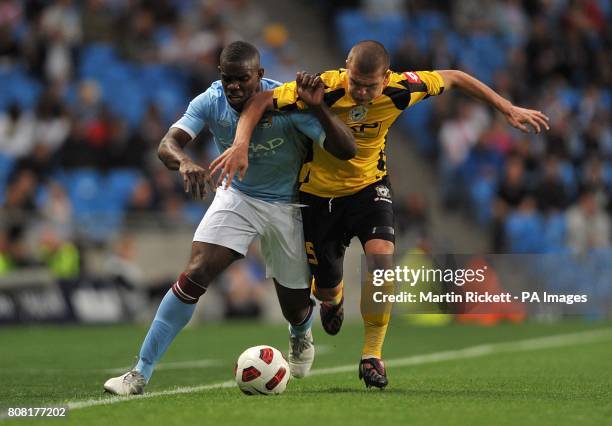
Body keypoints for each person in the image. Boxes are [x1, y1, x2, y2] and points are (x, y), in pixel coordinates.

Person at [213, 40, 550, 389]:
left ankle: (372, 355)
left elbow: (454, 77)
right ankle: (334, 298)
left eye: (369, 86)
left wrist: (504, 106)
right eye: (355, 81)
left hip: (370, 189)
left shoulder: (402, 88)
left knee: (381, 263)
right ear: (346, 67)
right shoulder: (324, 86)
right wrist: (240, 144)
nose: (360, 91)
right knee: (326, 290)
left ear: (385, 77)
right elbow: (260, 101)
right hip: (318, 194)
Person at [103, 41, 355, 395]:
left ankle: (300, 332)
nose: (233, 87)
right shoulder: (210, 100)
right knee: (196, 272)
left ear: (261, 75)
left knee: (294, 306)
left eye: (242, 79)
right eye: (227, 79)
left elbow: (346, 150)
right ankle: (139, 372)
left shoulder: (288, 103)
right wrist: (185, 161)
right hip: (238, 195)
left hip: (290, 206)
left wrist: (318, 111)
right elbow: (167, 143)